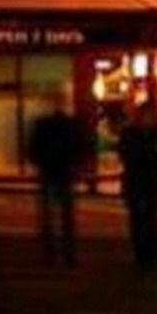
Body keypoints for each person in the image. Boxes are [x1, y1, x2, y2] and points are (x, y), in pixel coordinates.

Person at [29, 101, 89, 267]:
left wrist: (40, 162)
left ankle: (50, 254)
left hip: (50, 172)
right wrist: (75, 165)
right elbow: (80, 147)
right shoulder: (70, 126)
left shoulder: (43, 125)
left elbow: (34, 149)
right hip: (63, 173)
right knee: (65, 217)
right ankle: (68, 255)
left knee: (50, 217)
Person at [117, 100, 157, 268]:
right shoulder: (129, 133)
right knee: (137, 219)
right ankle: (140, 253)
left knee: (151, 218)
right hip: (135, 179)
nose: (146, 119)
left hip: (150, 180)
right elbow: (124, 154)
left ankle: (151, 253)